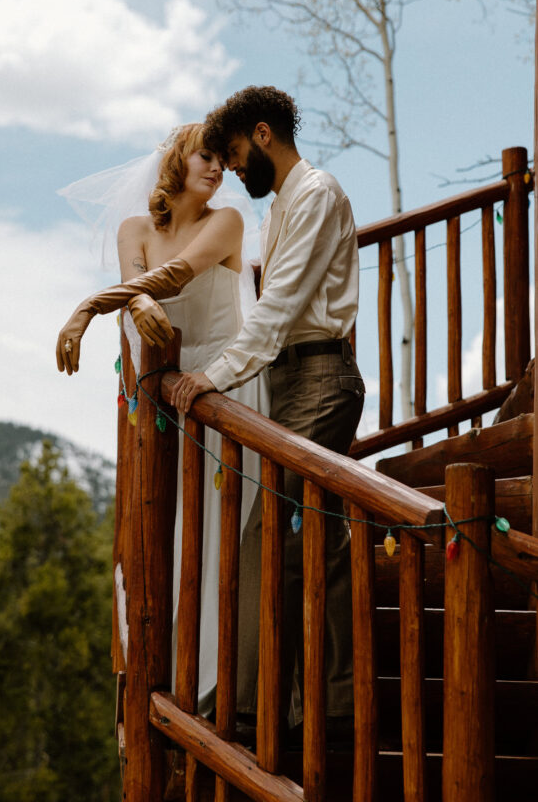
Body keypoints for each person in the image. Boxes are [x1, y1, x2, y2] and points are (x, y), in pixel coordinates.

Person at [169, 86, 365, 744]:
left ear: (261, 135)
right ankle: (332, 702)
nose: (231, 172)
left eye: (232, 156)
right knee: (320, 537)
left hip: (319, 376)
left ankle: (251, 708)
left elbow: (278, 310)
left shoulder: (315, 195)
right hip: (287, 381)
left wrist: (211, 377)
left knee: (265, 538)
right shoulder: (282, 205)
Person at [56, 123, 269, 716]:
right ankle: (168, 674)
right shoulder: (134, 229)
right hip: (164, 401)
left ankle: (220, 689)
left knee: (221, 531)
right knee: (166, 526)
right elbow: (138, 283)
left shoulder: (226, 222)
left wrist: (90, 307)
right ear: (176, 160)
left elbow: (173, 277)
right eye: (207, 156)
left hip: (224, 391)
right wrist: (132, 298)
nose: (218, 169)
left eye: (223, 162)